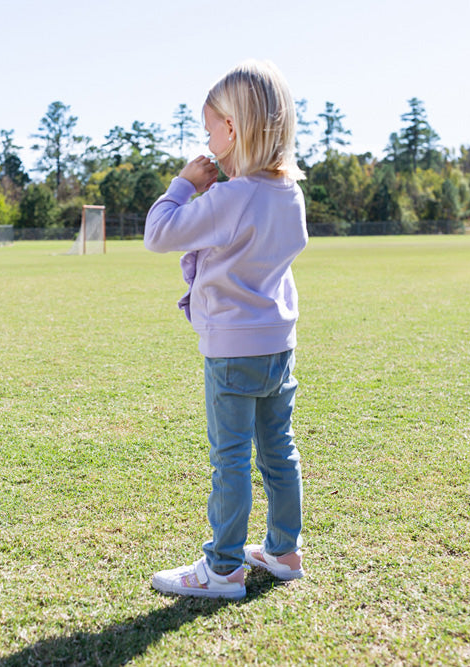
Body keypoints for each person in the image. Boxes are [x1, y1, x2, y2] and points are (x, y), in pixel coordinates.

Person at [144, 60, 308, 599]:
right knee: (278, 450)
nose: (207, 140)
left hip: (232, 350)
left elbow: (159, 232)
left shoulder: (232, 196)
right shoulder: (289, 193)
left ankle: (223, 568)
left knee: (231, 458)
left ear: (233, 130)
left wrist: (183, 184)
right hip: (278, 344)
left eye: (210, 128)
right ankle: (283, 550)